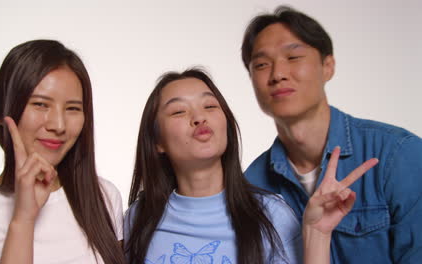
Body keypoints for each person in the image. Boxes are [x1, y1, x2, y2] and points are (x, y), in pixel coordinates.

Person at [123, 68, 377, 264]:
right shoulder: (139, 218)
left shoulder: (271, 215)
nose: (199, 117)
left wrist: (318, 235)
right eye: (178, 111)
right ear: (157, 142)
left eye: (210, 106)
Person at [241, 5, 422, 264]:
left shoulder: (398, 155)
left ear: (328, 66)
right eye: (261, 64)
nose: (278, 74)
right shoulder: (254, 187)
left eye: (293, 58)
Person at [0, 40, 126, 264]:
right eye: (41, 105)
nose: (58, 125)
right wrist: (23, 219)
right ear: (2, 111)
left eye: (73, 108)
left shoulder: (103, 196)